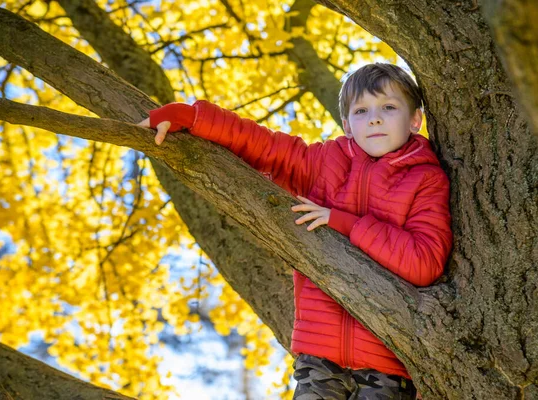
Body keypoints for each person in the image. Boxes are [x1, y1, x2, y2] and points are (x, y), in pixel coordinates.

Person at [136, 63, 452, 399]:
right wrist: (193, 117)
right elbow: (262, 144)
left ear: (415, 120)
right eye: (361, 111)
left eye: (388, 107)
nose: (374, 118)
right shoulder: (321, 162)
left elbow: (424, 262)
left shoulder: (426, 178)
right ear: (346, 124)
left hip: (389, 361)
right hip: (319, 357)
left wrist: (343, 222)